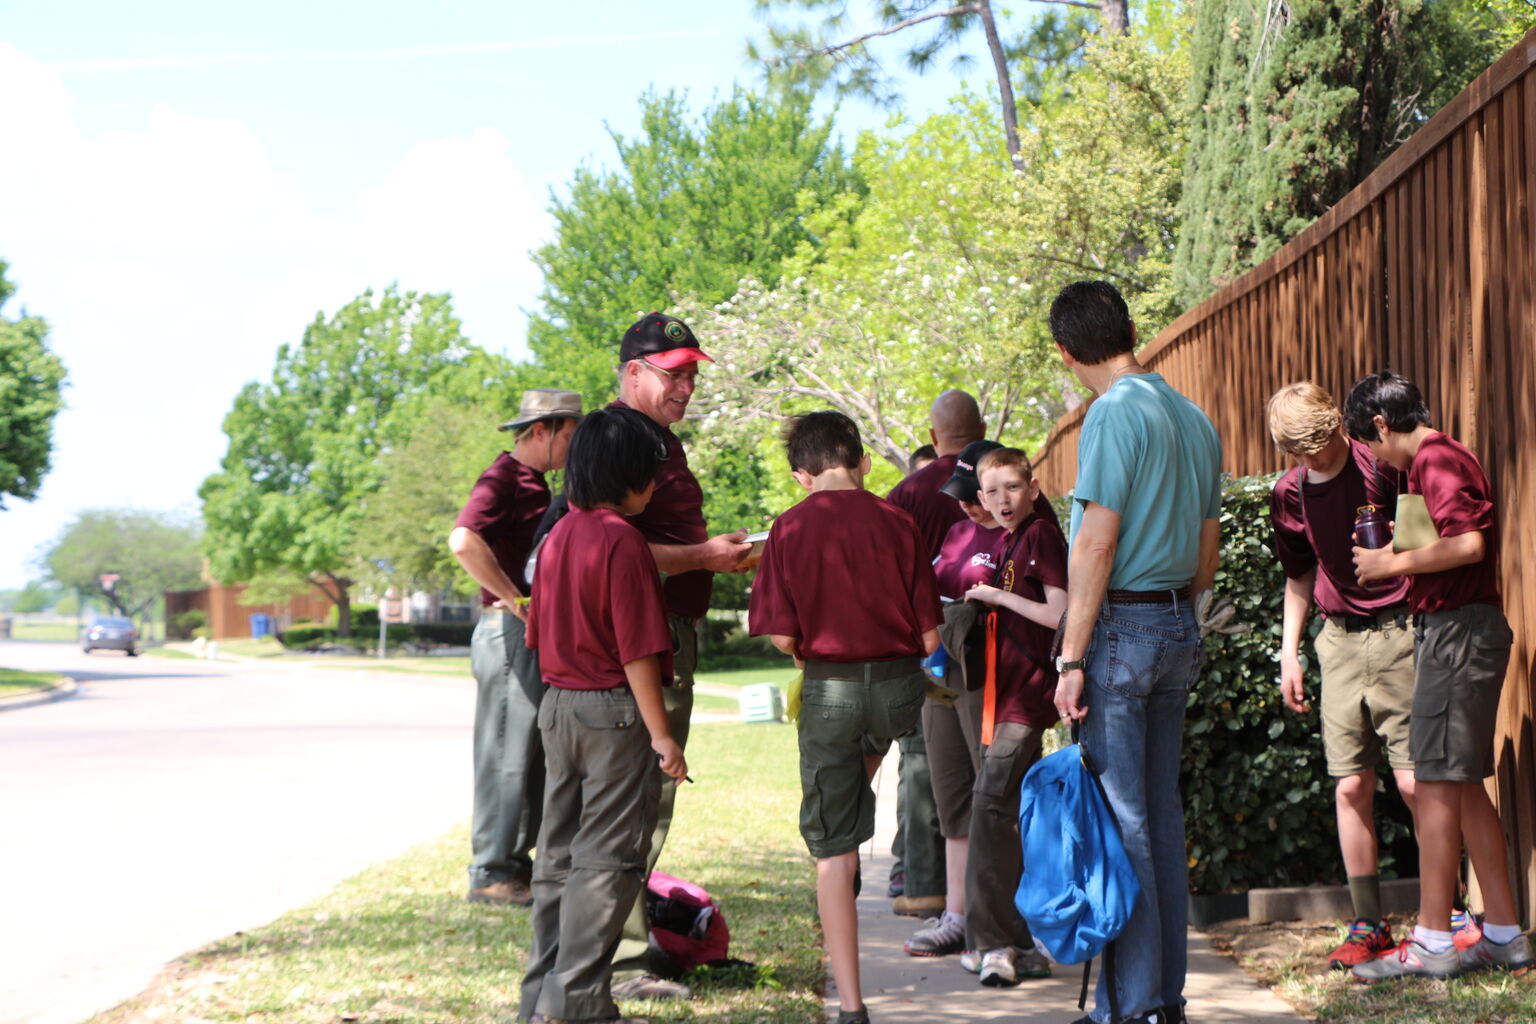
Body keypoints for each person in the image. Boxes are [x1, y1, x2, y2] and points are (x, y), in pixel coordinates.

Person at [1050, 281, 1222, 1024]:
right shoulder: (1192, 416)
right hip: (1178, 622)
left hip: (1121, 630)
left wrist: (1070, 657)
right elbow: (1208, 554)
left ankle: (1132, 1006)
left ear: (1065, 352)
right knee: (1159, 816)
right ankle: (1165, 1001)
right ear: (1127, 329)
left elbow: (1094, 540)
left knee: (1125, 825)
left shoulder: (1113, 413)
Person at [748, 410, 943, 1024]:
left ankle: (852, 1008)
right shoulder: (898, 521)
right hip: (896, 692)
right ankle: (850, 827)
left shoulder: (787, 527)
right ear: (860, 460)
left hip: (830, 690)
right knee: (855, 783)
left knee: (832, 851)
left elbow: (781, 639)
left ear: (801, 474)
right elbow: (930, 634)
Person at [1343, 370, 1532, 981]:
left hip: (1457, 635)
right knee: (1463, 782)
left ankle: (1430, 941)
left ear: (1380, 425)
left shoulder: (1436, 457)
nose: (1374, 457)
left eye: (1369, 444)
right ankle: (1503, 933)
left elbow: (1470, 544)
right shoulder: (1430, 461)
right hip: (1455, 632)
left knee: (1434, 782)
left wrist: (1389, 561)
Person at [518, 405, 688, 1024]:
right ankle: (582, 1004)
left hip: (557, 708)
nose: (655, 485)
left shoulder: (559, 534)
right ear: (629, 476)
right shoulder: (623, 541)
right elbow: (639, 649)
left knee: (557, 856)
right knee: (610, 860)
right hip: (611, 711)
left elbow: (537, 634)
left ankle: (539, 1001)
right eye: (651, 474)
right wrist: (663, 735)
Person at [607, 312, 752, 1000]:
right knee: (632, 803)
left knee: (645, 803)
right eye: (675, 373)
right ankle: (621, 963)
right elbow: (613, 549)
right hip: (644, 639)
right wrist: (702, 556)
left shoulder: (656, 440)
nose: (688, 386)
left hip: (666, 631)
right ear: (634, 372)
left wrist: (711, 555)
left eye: (693, 373)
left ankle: (632, 948)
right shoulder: (623, 441)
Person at [1265, 382, 1420, 968]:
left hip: (1400, 631)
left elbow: (1422, 540)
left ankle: (1447, 912)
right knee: (1351, 783)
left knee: (1413, 782)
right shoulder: (1290, 493)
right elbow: (1298, 575)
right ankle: (1368, 922)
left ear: (1337, 425)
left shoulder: (1379, 464)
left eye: (1322, 444)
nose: (1315, 459)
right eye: (1301, 453)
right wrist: (1289, 651)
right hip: (1337, 643)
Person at [448, 388, 582, 906]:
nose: (573, 446)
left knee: (528, 754)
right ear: (542, 431)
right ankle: (490, 872)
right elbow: (463, 540)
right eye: (569, 435)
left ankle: (513, 868)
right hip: (504, 633)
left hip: (525, 635)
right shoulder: (503, 477)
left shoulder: (535, 483)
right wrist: (513, 597)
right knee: (504, 753)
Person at [956, 447, 1067, 987]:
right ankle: (1020, 943)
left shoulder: (1041, 535)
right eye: (992, 490)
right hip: (1002, 700)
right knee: (1006, 818)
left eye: (1012, 488)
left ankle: (992, 942)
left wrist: (999, 597)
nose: (1002, 499)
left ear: (1034, 487)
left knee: (989, 806)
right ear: (980, 498)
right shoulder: (1008, 540)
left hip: (1027, 699)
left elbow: (1060, 612)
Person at [900, 440, 1002, 959]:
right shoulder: (959, 531)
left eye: (974, 495)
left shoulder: (1023, 533)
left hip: (988, 680)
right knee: (952, 797)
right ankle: (957, 915)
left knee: (994, 799)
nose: (964, 505)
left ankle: (995, 922)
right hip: (941, 677)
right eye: (960, 495)